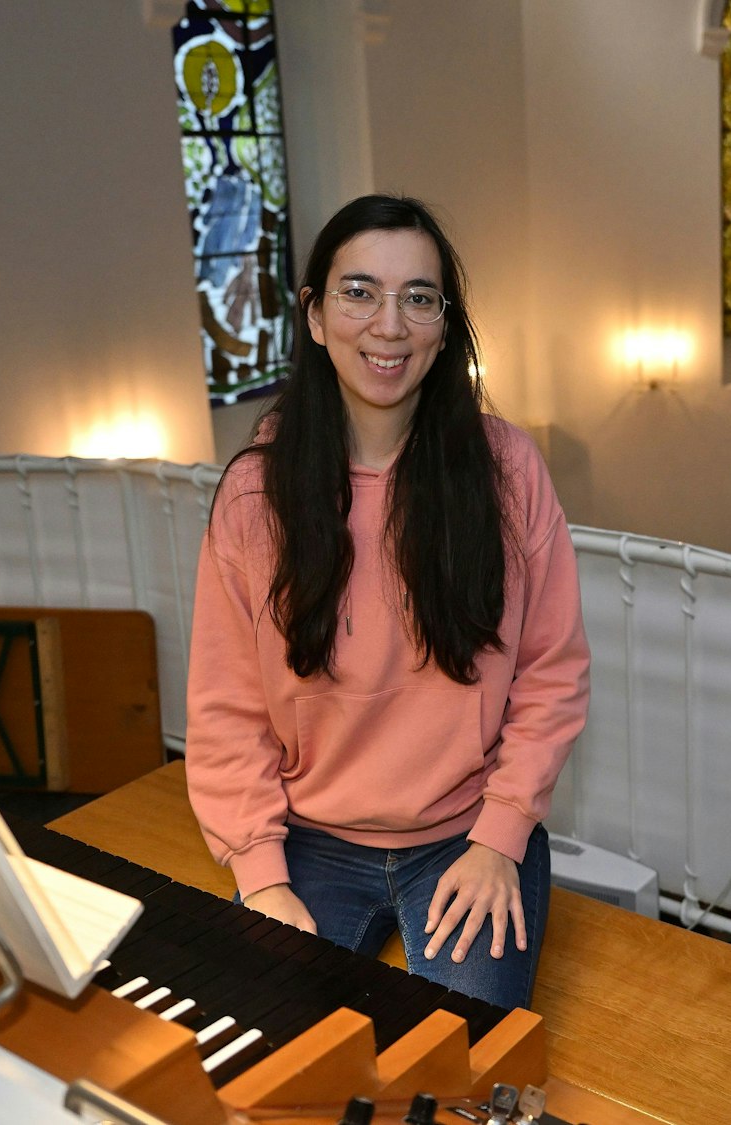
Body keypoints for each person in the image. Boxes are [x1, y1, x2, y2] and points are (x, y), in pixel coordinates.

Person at [184, 194, 590, 1010]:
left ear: (445, 326)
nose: (390, 324)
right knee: (262, 1049)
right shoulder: (255, 496)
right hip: (309, 843)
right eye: (359, 291)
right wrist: (262, 879)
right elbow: (226, 711)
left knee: (455, 1062)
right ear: (315, 314)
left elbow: (552, 675)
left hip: (463, 836)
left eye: (418, 298)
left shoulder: (506, 472)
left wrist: (501, 836)